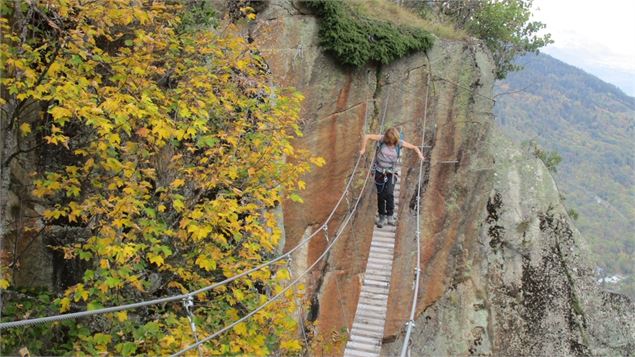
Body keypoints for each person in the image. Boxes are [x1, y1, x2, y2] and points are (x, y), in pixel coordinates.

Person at [360, 127, 425, 227]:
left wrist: (419, 154)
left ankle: (390, 216)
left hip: (391, 172)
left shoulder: (399, 143)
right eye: (389, 141)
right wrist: (363, 149)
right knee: (381, 195)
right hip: (379, 171)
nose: (390, 143)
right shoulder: (382, 139)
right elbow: (367, 136)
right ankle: (382, 217)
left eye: (392, 142)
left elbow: (414, 147)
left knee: (389, 193)